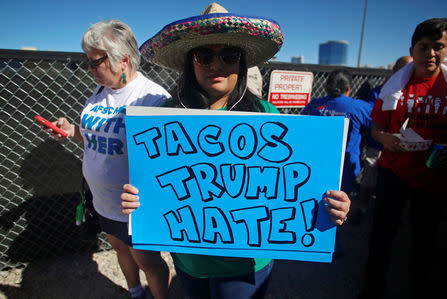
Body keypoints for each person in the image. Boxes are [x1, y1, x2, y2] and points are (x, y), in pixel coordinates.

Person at [121, 3, 351, 299]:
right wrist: (135, 199)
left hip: (247, 264)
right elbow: (150, 182)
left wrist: (333, 203)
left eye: (229, 55)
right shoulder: (164, 116)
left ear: (241, 64)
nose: (216, 64)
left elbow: (302, 185)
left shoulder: (267, 115)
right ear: (191, 62)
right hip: (189, 258)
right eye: (205, 55)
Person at [44, 20, 171, 299]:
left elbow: (167, 160)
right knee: (120, 249)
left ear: (123, 59)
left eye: (95, 62)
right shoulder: (100, 92)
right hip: (103, 200)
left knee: (148, 262)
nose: (89, 69)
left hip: (134, 205)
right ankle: (135, 292)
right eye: (87, 61)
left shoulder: (153, 98)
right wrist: (72, 131)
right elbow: (96, 135)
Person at [359, 18, 447, 299]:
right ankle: (372, 290)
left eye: (438, 47)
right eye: (424, 47)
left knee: (425, 242)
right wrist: (385, 139)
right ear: (413, 49)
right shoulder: (394, 86)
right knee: (382, 237)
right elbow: (376, 129)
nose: (430, 54)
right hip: (394, 172)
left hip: (433, 177)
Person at [357, 55, 413, 219]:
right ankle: (363, 208)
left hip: (402, 148)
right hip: (378, 145)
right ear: (395, 70)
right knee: (369, 178)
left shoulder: (412, 93)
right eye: (403, 68)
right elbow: (371, 119)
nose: (408, 72)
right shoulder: (379, 92)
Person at [301, 69, 373, 196]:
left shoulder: (314, 104)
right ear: (348, 88)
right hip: (345, 168)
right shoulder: (359, 107)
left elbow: (302, 126)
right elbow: (376, 126)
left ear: (327, 86)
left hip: (315, 163)